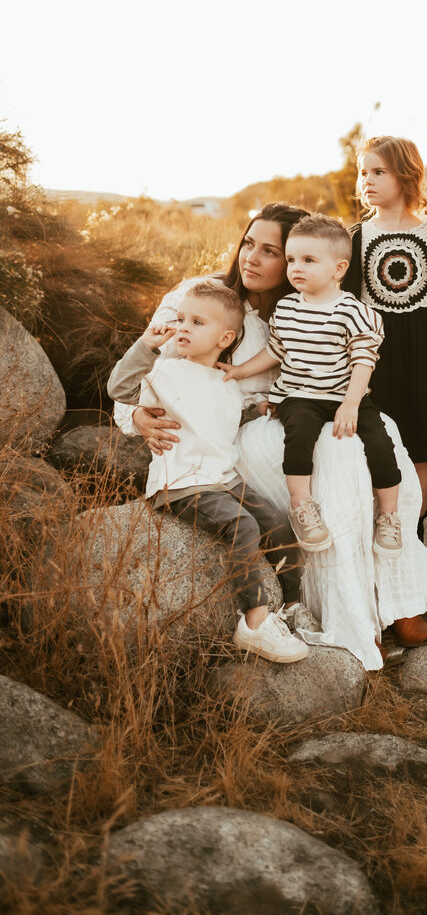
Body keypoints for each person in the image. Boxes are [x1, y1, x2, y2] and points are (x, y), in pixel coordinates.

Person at [113, 203, 427, 670]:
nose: (253, 257)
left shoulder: (307, 306)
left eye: (272, 251)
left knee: (376, 437)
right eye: (248, 244)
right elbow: (146, 377)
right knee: (336, 460)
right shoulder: (201, 298)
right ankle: (354, 621)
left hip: (285, 411)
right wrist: (138, 419)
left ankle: (398, 605)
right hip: (235, 435)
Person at [107, 278, 308, 664]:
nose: (182, 327)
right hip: (184, 483)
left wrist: (260, 408)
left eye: (197, 322)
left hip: (224, 478)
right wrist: (146, 345)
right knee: (243, 526)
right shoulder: (165, 371)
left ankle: (293, 605)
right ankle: (254, 623)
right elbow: (119, 386)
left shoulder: (224, 378)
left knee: (278, 522)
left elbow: (222, 417)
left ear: (225, 337)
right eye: (181, 318)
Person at [219, 214, 403, 558]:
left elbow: (364, 360)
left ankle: (389, 515)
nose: (296, 268)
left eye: (308, 260)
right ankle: (302, 506)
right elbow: (275, 350)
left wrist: (350, 404)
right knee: (299, 438)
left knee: (380, 442)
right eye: (290, 260)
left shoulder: (354, 311)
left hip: (346, 396)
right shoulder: (287, 308)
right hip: (299, 395)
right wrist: (239, 370)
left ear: (338, 269)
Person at [343, 136, 427, 540]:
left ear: (407, 175)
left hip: (420, 356)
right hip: (371, 359)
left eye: (379, 172)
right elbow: (344, 302)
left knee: (419, 451)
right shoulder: (357, 237)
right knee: (372, 446)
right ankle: (375, 524)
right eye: (364, 173)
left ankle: (413, 531)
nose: (368, 181)